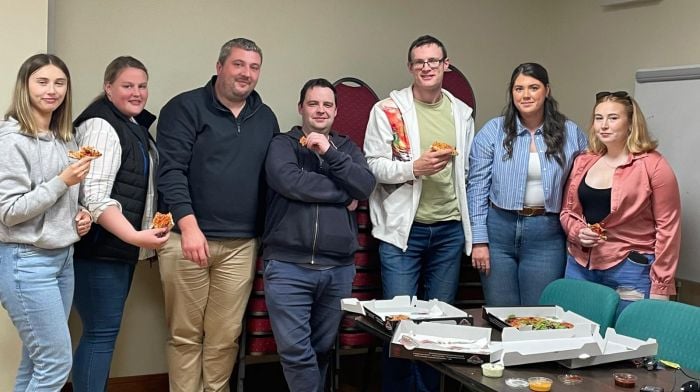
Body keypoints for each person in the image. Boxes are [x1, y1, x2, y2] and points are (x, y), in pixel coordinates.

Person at [156, 38, 279, 392]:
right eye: (239, 64)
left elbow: (275, 178)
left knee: (225, 337)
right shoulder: (184, 107)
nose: (246, 74)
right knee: (185, 336)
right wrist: (189, 226)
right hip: (186, 240)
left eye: (254, 67)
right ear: (220, 66)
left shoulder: (265, 116)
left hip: (241, 244)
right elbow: (171, 172)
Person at [363, 35, 474, 392]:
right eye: (419, 62)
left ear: (446, 65)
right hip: (402, 234)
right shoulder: (387, 111)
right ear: (410, 68)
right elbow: (373, 167)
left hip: (449, 230)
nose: (426, 67)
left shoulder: (461, 113)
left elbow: (467, 170)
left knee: (439, 328)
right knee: (400, 326)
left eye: (433, 61)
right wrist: (415, 168)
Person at [262, 78, 375, 392]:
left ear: (336, 111)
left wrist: (328, 151)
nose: (320, 110)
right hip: (288, 266)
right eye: (313, 103)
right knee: (296, 353)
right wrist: (343, 194)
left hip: (338, 269)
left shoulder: (348, 147)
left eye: (327, 104)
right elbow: (290, 183)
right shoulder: (282, 144)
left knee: (321, 349)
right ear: (301, 108)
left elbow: (365, 185)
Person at [71, 56, 170, 391]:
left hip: (118, 248)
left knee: (102, 333)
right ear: (108, 87)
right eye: (127, 85)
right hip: (99, 250)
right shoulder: (101, 125)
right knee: (100, 334)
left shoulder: (129, 124)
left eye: (142, 86)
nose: (137, 92)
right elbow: (94, 196)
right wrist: (135, 236)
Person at [0, 54, 94, 391]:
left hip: (62, 259)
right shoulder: (11, 140)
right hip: (27, 262)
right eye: (42, 81)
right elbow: (8, 211)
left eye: (59, 82)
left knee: (36, 361)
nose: (52, 90)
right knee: (55, 364)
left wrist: (81, 215)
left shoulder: (64, 138)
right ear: (25, 86)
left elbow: (65, 199)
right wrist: (62, 182)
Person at [467, 62, 587, 307]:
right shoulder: (493, 131)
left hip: (546, 235)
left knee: (539, 314)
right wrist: (479, 241)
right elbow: (477, 187)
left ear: (547, 91)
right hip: (499, 230)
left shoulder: (570, 133)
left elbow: (582, 186)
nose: (526, 95)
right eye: (518, 88)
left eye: (533, 87)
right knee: (500, 312)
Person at [560, 91, 680, 314]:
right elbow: (567, 212)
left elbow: (668, 229)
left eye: (613, 118)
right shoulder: (583, 161)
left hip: (630, 269)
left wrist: (661, 285)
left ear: (630, 123)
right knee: (574, 335)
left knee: (627, 340)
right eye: (598, 118)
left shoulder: (653, 166)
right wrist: (578, 232)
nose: (604, 125)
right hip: (580, 266)